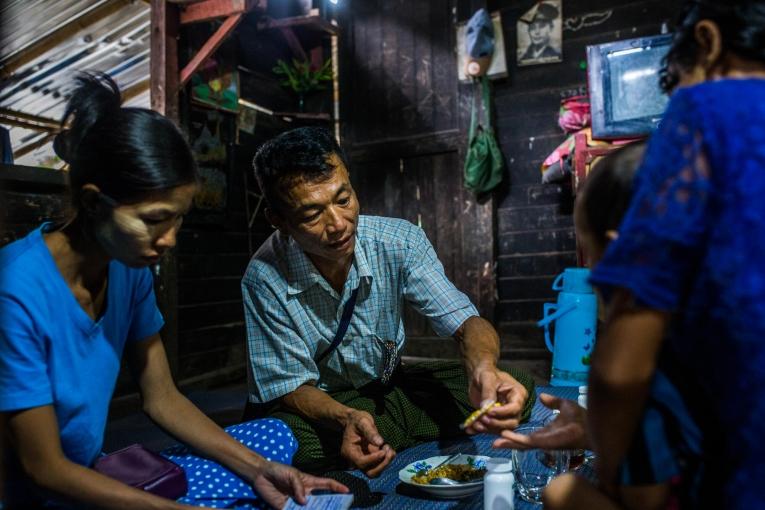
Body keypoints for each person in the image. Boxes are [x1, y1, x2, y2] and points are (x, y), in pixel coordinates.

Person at [0, 74, 346, 509]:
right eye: (153, 219)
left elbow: (162, 397)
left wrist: (261, 469)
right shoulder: (14, 292)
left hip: (90, 469)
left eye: (177, 219)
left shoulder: (128, 268)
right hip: (39, 494)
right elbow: (44, 470)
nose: (168, 240)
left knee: (273, 440)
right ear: (92, 203)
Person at [544, 1, 765, 508]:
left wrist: (605, 448)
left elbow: (622, 373)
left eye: (674, 83)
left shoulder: (710, 111)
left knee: (563, 495)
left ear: (707, 42)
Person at [241, 126, 536, 476]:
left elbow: (465, 323)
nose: (338, 224)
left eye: (343, 199)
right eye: (311, 215)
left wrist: (483, 370)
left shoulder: (399, 241)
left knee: (515, 383)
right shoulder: (263, 277)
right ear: (279, 221)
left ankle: (378, 432)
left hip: (385, 389)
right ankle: (374, 429)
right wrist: (347, 417)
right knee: (289, 439)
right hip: (321, 404)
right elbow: (290, 389)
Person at [496, 143, 704, 510]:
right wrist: (592, 431)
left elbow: (643, 499)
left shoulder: (635, 364)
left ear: (619, 251)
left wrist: (610, 430)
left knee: (562, 492)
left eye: (589, 252)